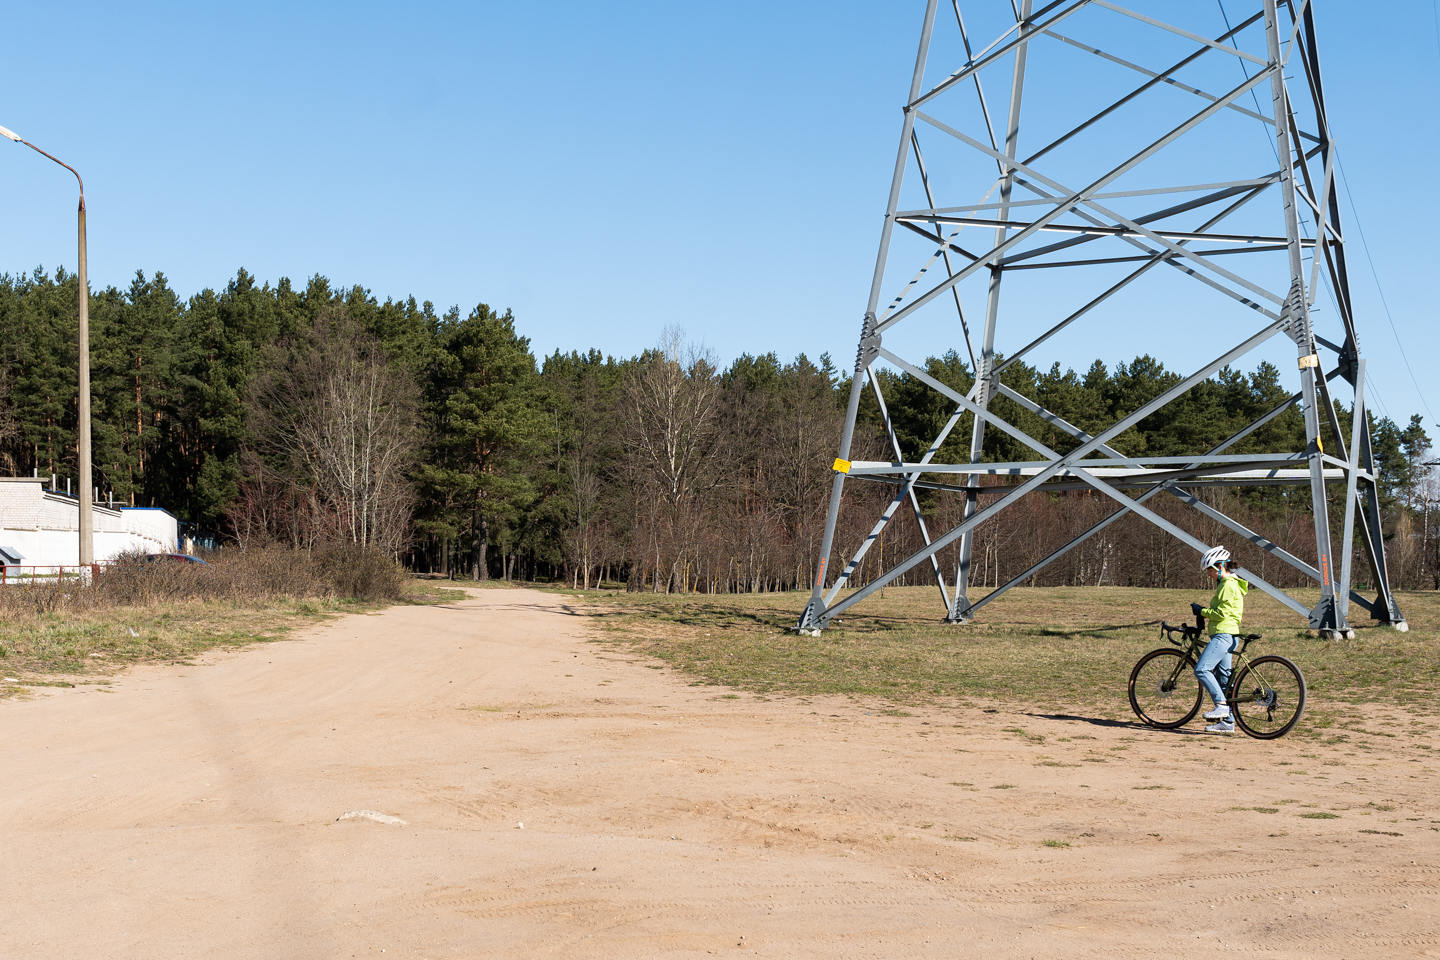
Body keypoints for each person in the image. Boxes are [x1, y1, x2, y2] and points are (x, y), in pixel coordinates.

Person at [1193, 545, 1248, 734]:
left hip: (1223, 635)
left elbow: (1221, 613)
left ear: (1219, 567)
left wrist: (1201, 611)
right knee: (1223, 680)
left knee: (1201, 669)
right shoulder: (1229, 584)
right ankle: (1228, 723)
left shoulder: (1227, 585)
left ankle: (1221, 705)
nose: (1208, 574)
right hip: (1229, 635)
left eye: (1209, 569)